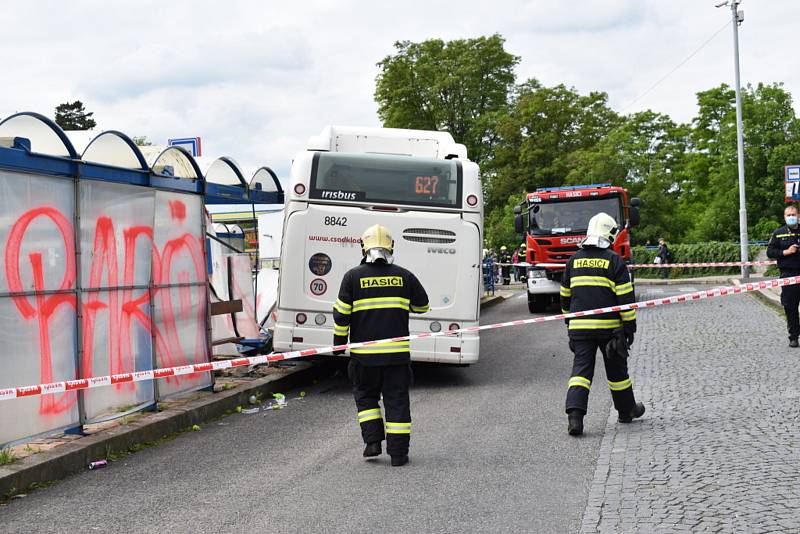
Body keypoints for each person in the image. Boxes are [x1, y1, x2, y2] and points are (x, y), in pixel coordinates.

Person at [332, 224, 430, 466]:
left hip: (363, 357)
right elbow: (422, 306)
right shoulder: (405, 276)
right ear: (391, 247)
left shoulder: (352, 277)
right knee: (396, 400)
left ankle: (373, 443)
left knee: (366, 398)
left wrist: (337, 346)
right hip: (396, 357)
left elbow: (341, 316)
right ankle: (398, 454)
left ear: (363, 247)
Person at [560, 212, 645, 436]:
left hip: (580, 328)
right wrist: (629, 329)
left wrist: (570, 327)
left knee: (581, 372)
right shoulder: (614, 260)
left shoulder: (573, 260)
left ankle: (575, 418)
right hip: (610, 329)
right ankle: (627, 410)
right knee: (617, 371)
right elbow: (625, 300)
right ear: (609, 235)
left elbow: (565, 298)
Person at [767, 205, 800, 347]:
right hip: (788, 274)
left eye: (793, 214)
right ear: (785, 217)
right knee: (790, 307)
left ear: (798, 215)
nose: (791, 217)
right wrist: (786, 252)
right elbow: (770, 252)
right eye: (788, 215)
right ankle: (794, 337)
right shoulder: (778, 233)